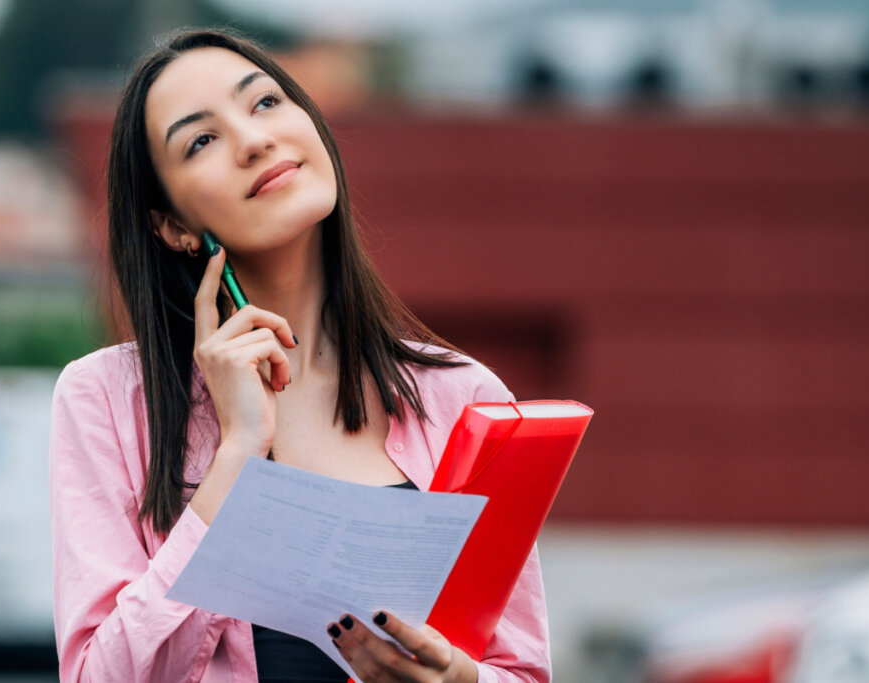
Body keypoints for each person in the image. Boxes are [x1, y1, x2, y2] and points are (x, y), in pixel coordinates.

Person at [49, 27, 551, 683]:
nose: (254, 139)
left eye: (264, 103)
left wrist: (460, 679)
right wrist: (235, 458)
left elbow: (523, 669)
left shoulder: (465, 396)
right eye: (201, 140)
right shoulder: (107, 400)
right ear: (171, 223)